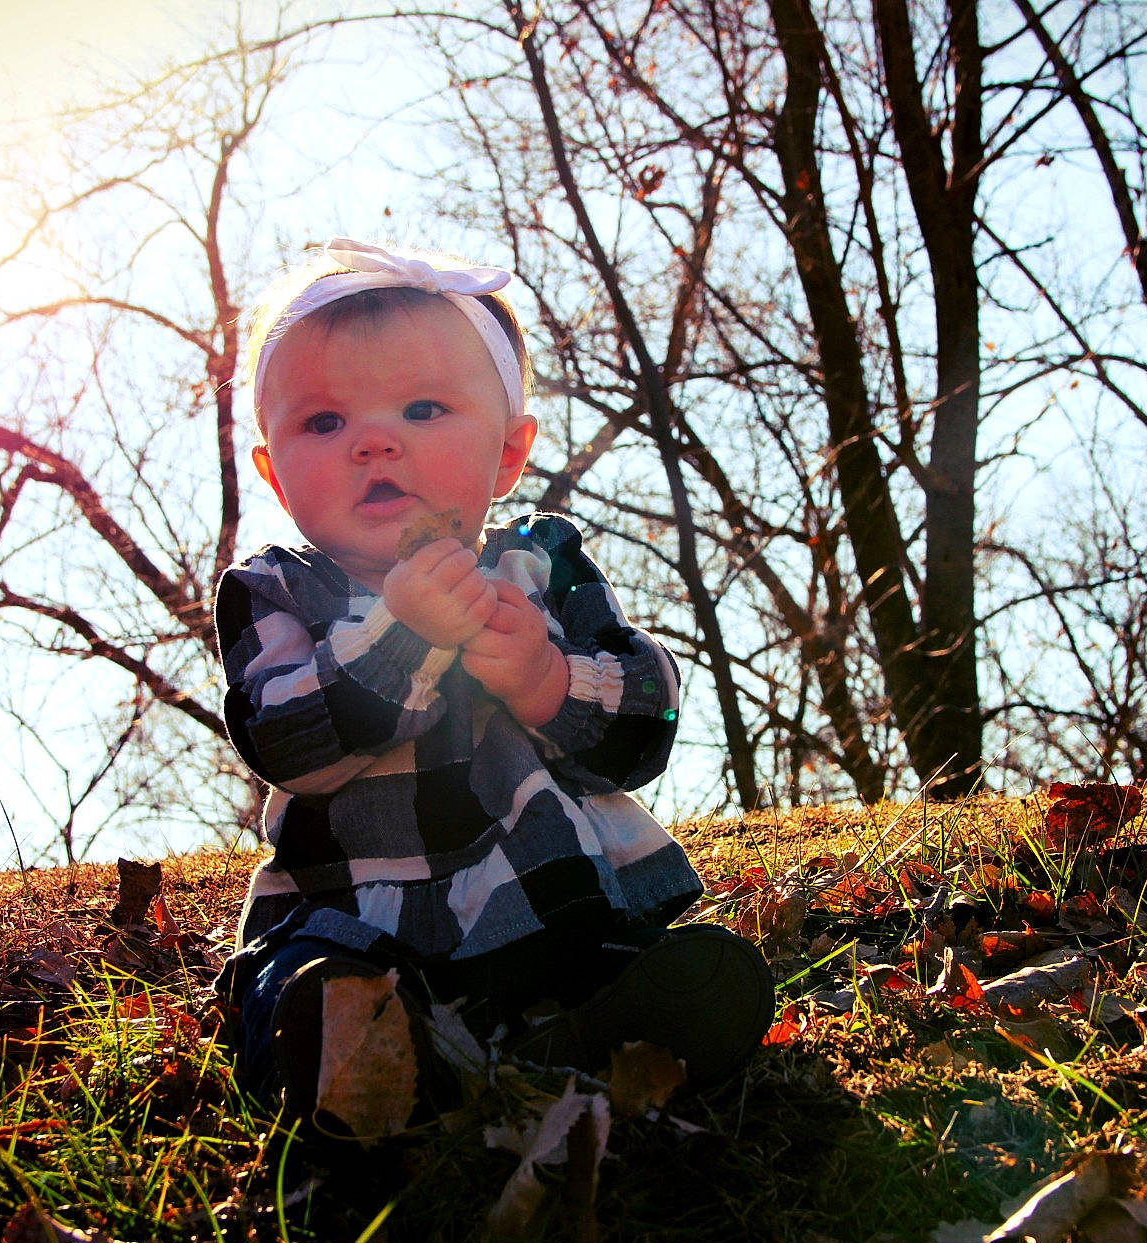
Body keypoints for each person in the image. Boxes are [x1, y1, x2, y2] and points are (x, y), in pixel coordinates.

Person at [212, 238, 774, 1129]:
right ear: (276, 473)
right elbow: (282, 740)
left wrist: (549, 679)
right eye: (322, 423)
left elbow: (647, 717)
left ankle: (597, 1032)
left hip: (542, 890)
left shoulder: (540, 563)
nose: (372, 440)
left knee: (605, 948)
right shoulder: (277, 589)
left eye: (424, 407)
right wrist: (397, 639)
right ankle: (365, 1057)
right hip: (358, 909)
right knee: (314, 976)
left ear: (509, 453)